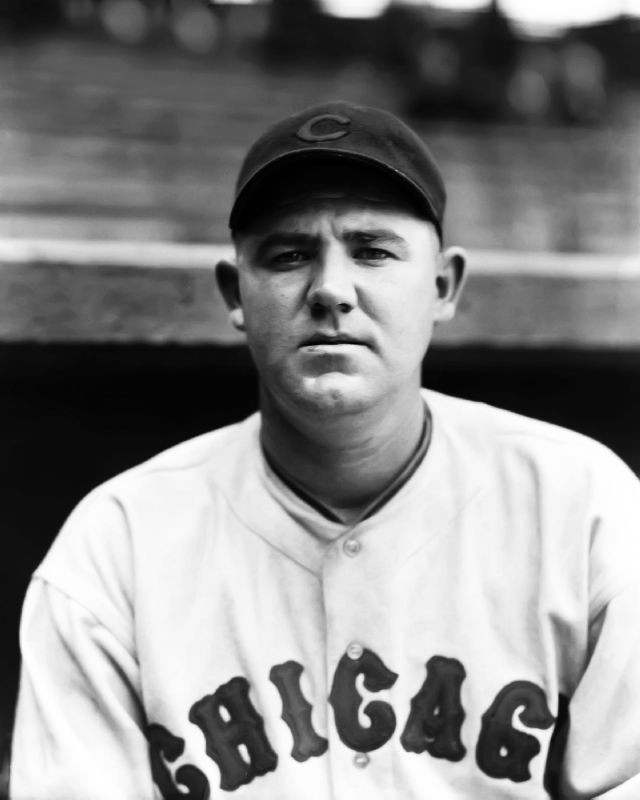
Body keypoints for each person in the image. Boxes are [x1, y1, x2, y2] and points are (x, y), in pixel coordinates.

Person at [10, 101, 640, 799]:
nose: (331, 290)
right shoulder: (115, 546)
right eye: (289, 255)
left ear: (443, 286)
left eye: (372, 250)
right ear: (236, 292)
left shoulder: (585, 508)